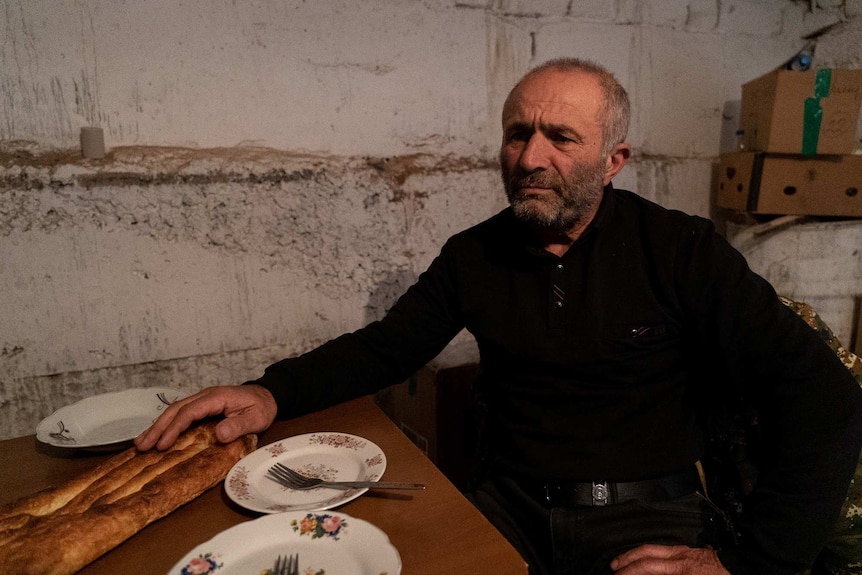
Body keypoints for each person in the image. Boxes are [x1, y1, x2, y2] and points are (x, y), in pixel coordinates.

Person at [135, 58, 862, 575]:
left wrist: (750, 562)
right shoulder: (474, 255)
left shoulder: (679, 250)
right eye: (518, 134)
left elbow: (824, 397)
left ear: (614, 160)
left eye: (560, 138)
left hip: (647, 519)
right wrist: (271, 391)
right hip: (507, 504)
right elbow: (390, 347)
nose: (529, 157)